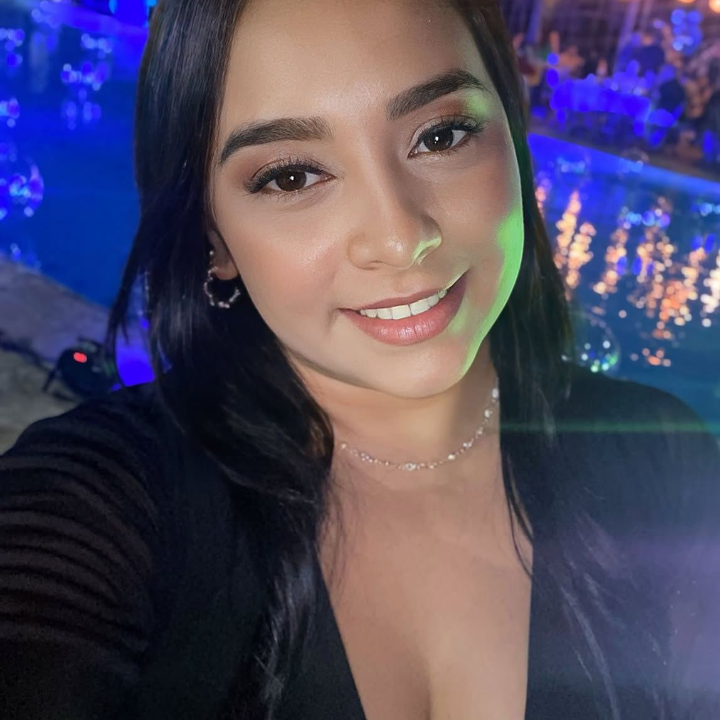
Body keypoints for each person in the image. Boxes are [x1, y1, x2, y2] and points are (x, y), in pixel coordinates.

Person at [1, 1, 719, 719]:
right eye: (291, 177)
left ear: (512, 134)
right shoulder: (106, 501)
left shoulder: (660, 455)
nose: (400, 238)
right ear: (212, 239)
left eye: (441, 135)